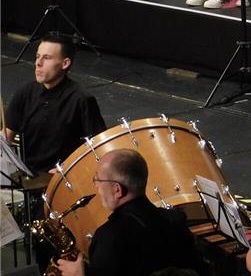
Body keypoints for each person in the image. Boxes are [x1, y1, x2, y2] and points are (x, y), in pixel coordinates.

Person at [56, 149, 205, 276]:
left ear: (117, 189)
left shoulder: (109, 237)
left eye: (98, 180)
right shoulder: (175, 219)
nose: (97, 187)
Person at [4, 33, 106, 174]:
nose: (38, 63)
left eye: (46, 58)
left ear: (65, 63)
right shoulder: (25, 93)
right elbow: (6, 138)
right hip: (26, 176)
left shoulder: (81, 99)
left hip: (63, 179)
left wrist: (69, 168)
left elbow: (100, 146)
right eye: (37, 56)